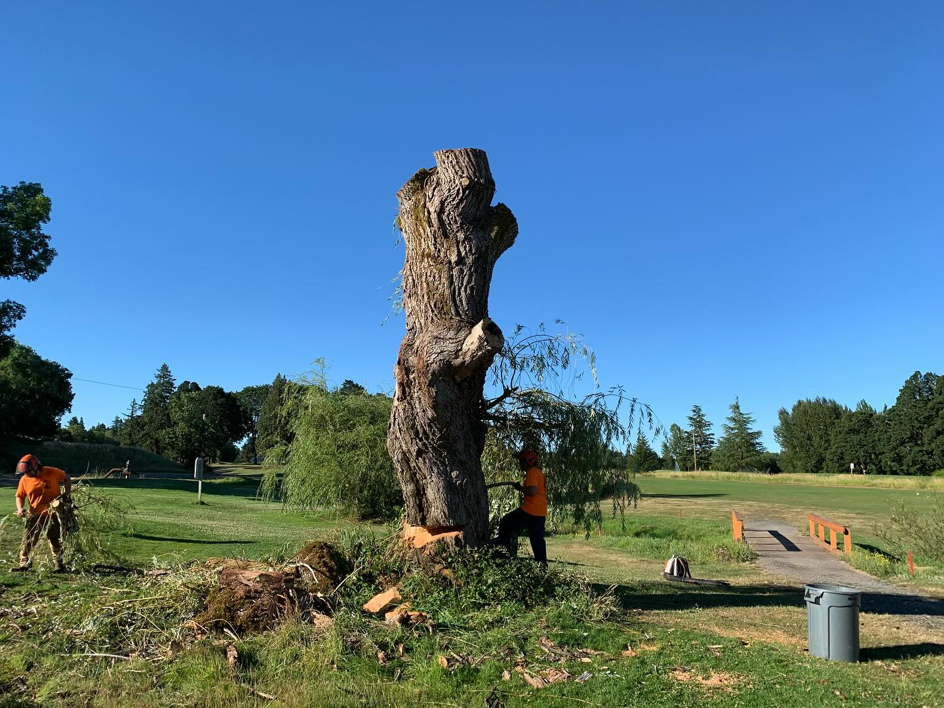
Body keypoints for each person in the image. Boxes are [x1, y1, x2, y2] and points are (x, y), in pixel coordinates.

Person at [11, 454, 71, 573]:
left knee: (55, 539)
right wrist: (20, 508)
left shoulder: (51, 472)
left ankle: (58, 564)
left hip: (53, 513)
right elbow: (19, 496)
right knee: (28, 540)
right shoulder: (24, 479)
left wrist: (67, 495)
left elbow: (66, 478)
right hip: (34, 514)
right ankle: (24, 563)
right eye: (25, 472)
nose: (27, 474)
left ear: (36, 466)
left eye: (28, 471)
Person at [493, 450, 547, 566]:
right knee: (537, 541)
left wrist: (520, 488)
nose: (520, 464)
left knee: (506, 522)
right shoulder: (538, 472)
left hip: (530, 510)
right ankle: (542, 567)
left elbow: (532, 491)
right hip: (540, 512)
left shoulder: (532, 472)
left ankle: (504, 553)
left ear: (528, 461)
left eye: (521, 461)